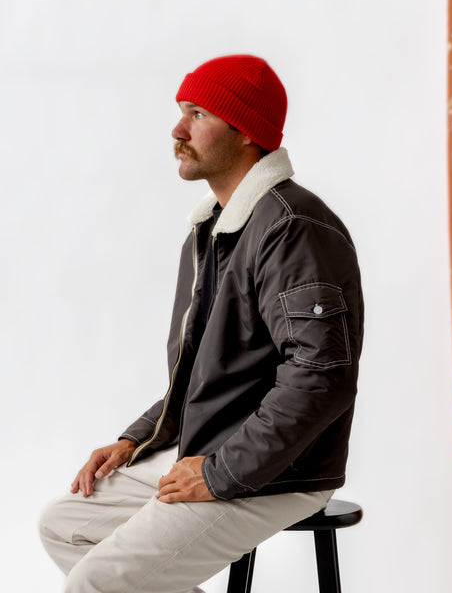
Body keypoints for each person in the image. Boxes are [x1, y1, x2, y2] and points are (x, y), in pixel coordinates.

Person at [39, 54, 364, 593]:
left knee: (95, 582)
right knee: (64, 525)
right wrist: (138, 438)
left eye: (198, 114)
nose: (178, 129)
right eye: (182, 112)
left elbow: (319, 380)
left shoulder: (294, 229)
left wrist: (217, 473)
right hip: (213, 446)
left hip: (279, 473)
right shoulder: (216, 230)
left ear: (246, 132)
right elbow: (203, 377)